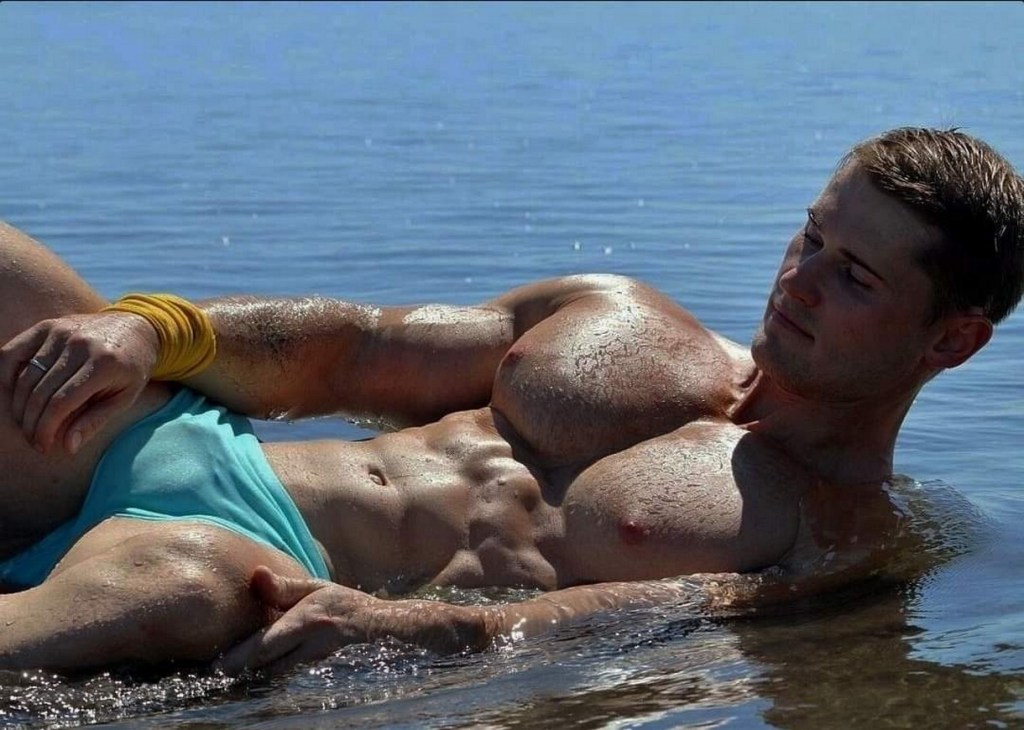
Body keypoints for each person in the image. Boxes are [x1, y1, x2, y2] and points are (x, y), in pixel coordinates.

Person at [0, 127, 1020, 674]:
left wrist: (429, 629)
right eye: (812, 235)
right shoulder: (619, 313)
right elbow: (356, 347)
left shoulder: (842, 531)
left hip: (247, 575)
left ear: (953, 339)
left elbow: (655, 612)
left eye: (854, 276)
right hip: (175, 448)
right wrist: (154, 330)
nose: (799, 279)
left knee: (182, 584)